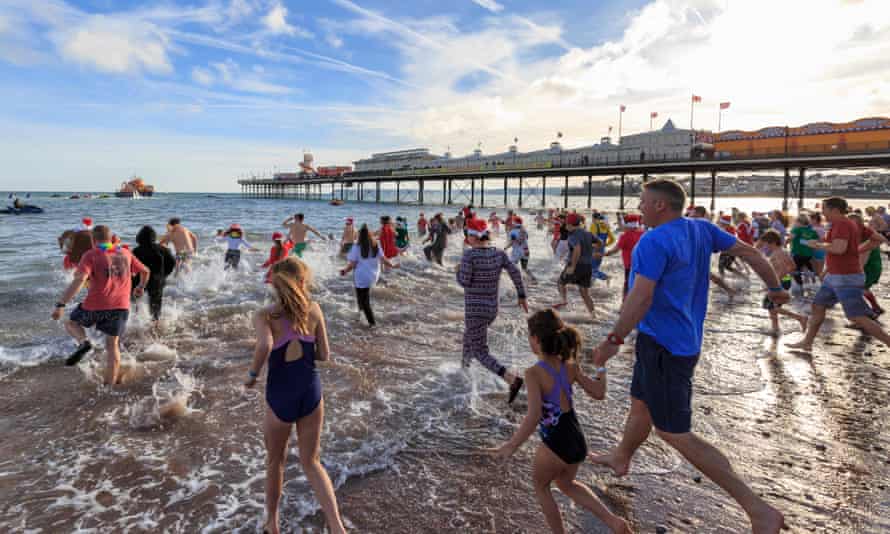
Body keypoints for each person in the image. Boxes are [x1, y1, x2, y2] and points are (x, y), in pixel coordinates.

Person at [590, 179, 788, 534]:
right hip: (674, 339)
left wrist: (613, 339)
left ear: (660, 207)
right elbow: (754, 254)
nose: (639, 207)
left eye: (643, 202)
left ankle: (758, 509)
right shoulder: (701, 228)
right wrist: (775, 289)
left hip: (667, 346)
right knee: (640, 406)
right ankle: (622, 456)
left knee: (675, 433)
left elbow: (641, 298)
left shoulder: (653, 240)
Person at [491, 309, 631, 534]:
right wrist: (601, 367)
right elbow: (599, 393)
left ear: (535, 339)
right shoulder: (570, 366)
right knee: (566, 484)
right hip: (575, 438)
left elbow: (534, 415)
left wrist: (511, 446)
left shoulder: (533, 373)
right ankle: (614, 522)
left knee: (541, 486)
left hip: (556, 441)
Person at [244, 258, 346, 534]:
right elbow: (324, 355)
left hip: (280, 395)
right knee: (311, 461)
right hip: (311, 392)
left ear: (275, 283)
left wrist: (252, 376)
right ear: (303, 281)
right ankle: (337, 526)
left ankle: (272, 523)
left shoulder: (265, 315)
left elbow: (265, 345)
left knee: (275, 461)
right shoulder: (314, 309)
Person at [51, 225, 150, 385]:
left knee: (71, 323)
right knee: (112, 346)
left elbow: (80, 280)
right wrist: (140, 287)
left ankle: (84, 343)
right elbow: (145, 271)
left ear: (93, 240)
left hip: (94, 306)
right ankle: (109, 387)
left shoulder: (90, 255)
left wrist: (61, 304)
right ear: (112, 238)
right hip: (120, 307)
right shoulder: (126, 253)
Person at [788, 197, 890, 350]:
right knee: (818, 305)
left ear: (834, 210)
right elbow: (879, 238)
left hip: (846, 276)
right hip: (835, 275)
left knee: (857, 316)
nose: (822, 212)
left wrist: (817, 245)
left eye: (824, 209)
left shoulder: (842, 223)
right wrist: (857, 250)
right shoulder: (850, 223)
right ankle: (807, 343)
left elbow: (839, 248)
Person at [456, 218, 528, 402]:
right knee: (468, 339)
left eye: (467, 235)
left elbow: (464, 281)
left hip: (475, 310)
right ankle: (463, 373)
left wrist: (458, 270)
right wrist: (522, 295)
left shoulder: (470, 256)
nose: (466, 238)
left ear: (473, 237)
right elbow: (515, 272)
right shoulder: (498, 253)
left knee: (480, 351)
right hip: (491, 309)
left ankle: (511, 379)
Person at [340, 224, 397, 327]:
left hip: (361, 276)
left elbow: (352, 264)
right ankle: (361, 316)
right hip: (373, 276)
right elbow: (383, 259)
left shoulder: (357, 247)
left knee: (362, 298)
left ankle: (372, 323)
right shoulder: (376, 245)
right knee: (363, 297)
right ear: (370, 234)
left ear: (360, 236)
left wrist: (344, 271)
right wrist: (392, 265)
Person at [757, 230, 809, 336]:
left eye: (766, 243)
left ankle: (800, 318)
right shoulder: (783, 251)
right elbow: (793, 266)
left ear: (773, 242)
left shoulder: (777, 253)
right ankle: (775, 328)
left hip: (779, 282)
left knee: (770, 305)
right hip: (785, 281)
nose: (765, 246)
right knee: (772, 306)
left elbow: (783, 269)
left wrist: (774, 282)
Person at [554, 213, 596, 318]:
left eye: (567, 224)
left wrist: (572, 266)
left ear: (570, 224)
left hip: (577, 265)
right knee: (584, 292)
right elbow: (599, 243)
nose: (566, 226)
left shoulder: (572, 235)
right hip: (588, 266)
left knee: (560, 283)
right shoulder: (588, 233)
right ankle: (593, 315)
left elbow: (577, 249)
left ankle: (564, 301)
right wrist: (592, 252)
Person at [132, 226, 176, 323]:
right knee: (155, 306)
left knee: (136, 302)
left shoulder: (136, 250)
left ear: (139, 237)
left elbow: (132, 267)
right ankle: (155, 325)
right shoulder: (163, 250)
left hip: (140, 281)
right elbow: (172, 263)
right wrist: (165, 274)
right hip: (157, 280)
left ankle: (136, 322)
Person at [849, 213, 887, 316]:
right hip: (873, 266)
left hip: (869, 268)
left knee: (857, 290)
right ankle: (876, 308)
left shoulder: (865, 237)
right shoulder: (863, 234)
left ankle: (867, 315)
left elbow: (862, 260)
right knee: (863, 289)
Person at [604, 214, 644, 297]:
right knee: (640, 287)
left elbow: (615, 250)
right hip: (643, 265)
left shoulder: (625, 236)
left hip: (630, 266)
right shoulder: (643, 233)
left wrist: (605, 254)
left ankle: (625, 305)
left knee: (628, 286)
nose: (621, 226)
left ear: (627, 225)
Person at [789, 214, 819, 287]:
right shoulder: (812, 231)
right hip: (808, 254)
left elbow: (791, 238)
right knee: (808, 267)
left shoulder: (796, 229)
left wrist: (786, 241)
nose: (794, 223)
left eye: (795, 222)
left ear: (799, 222)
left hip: (797, 253)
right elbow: (815, 241)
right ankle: (814, 280)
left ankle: (799, 286)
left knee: (795, 270)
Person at [505, 216, 536, 283]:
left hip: (517, 252)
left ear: (515, 223)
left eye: (513, 222)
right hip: (526, 251)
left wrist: (505, 248)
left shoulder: (512, 232)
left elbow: (512, 242)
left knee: (511, 266)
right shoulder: (524, 231)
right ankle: (532, 278)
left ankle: (515, 280)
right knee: (524, 268)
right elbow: (526, 238)